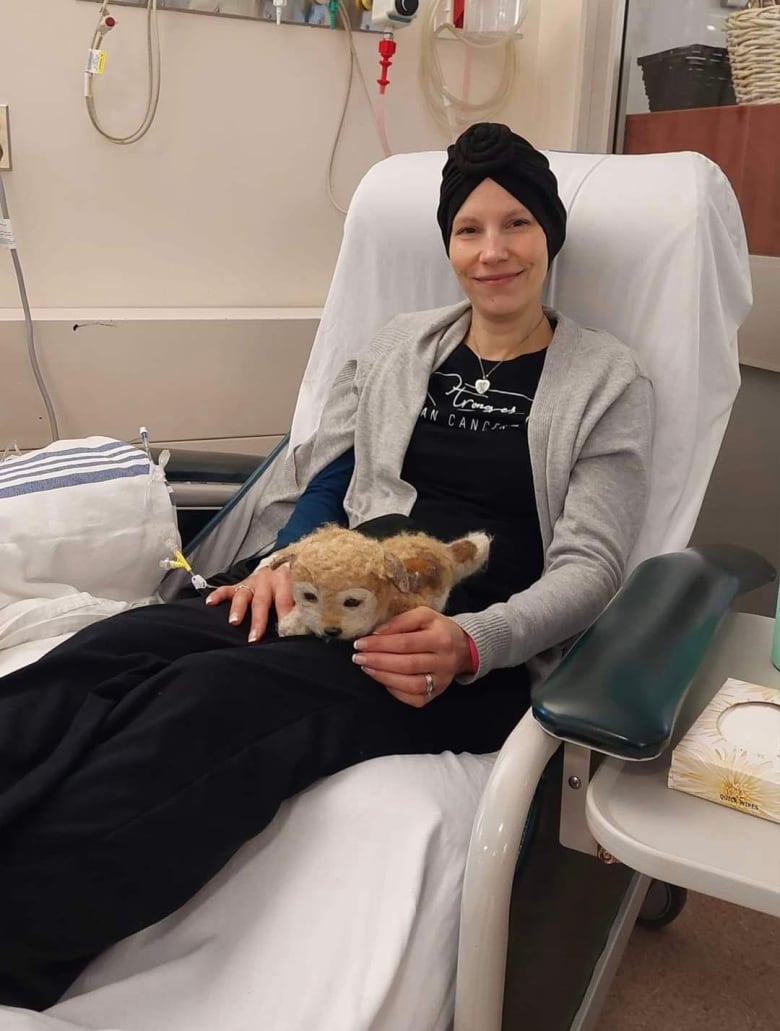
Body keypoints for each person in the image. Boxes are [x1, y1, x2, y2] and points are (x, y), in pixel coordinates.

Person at [0, 123, 653, 1011]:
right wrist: (282, 560)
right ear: (447, 244)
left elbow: (595, 564)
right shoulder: (397, 348)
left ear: (550, 234)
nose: (493, 251)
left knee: (202, 707)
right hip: (325, 586)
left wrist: (473, 643)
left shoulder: (607, 380)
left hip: (446, 648)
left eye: (517, 225)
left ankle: (21, 936)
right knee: (121, 648)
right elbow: (332, 475)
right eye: (469, 229)